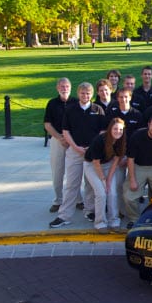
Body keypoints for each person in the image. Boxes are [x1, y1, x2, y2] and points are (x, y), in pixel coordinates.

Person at [50, 82, 106, 228]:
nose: (85, 96)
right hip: (74, 152)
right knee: (71, 184)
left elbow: (102, 132)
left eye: (88, 93)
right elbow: (66, 131)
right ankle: (64, 215)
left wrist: (91, 147)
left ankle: (89, 210)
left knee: (90, 184)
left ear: (92, 95)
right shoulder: (70, 109)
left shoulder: (98, 109)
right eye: (82, 93)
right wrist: (75, 147)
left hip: (92, 153)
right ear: (78, 94)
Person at [83, 118, 126, 233]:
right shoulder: (100, 140)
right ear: (110, 129)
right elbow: (95, 163)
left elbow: (116, 161)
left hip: (108, 165)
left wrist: (109, 180)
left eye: (121, 129)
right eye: (115, 129)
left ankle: (114, 220)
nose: (118, 131)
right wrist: (103, 180)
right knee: (101, 193)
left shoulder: (120, 141)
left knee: (112, 192)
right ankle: (100, 222)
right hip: (92, 166)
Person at [43, 77, 79, 213]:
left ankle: (78, 199)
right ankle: (58, 200)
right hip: (57, 141)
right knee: (58, 172)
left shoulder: (76, 102)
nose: (65, 89)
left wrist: (70, 139)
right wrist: (59, 138)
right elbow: (47, 124)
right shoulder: (52, 103)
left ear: (71, 88)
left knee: (74, 173)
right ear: (58, 88)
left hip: (73, 142)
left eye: (67, 86)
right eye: (62, 86)